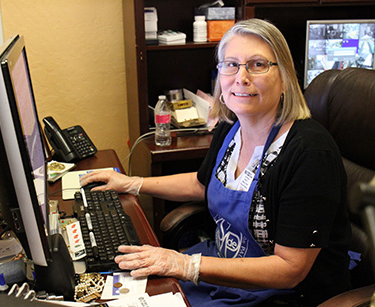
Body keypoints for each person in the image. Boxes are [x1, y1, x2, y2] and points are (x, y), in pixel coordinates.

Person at [81, 18, 351, 306]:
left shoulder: (309, 154)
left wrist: (186, 265)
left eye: (257, 65)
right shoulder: (231, 126)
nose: (241, 77)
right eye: (231, 64)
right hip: (223, 272)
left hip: (283, 295)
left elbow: (289, 270)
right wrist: (134, 183)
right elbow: (203, 184)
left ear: (284, 77)